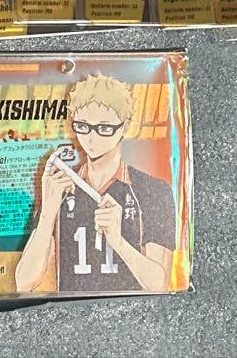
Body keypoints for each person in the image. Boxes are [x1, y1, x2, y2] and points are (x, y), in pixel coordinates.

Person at [15, 74, 177, 294]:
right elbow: (24, 282)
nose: (91, 138)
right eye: (82, 126)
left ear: (125, 126)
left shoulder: (153, 191)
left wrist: (118, 242)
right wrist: (47, 214)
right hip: (68, 310)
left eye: (104, 128)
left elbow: (160, 284)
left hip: (131, 310)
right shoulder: (60, 186)